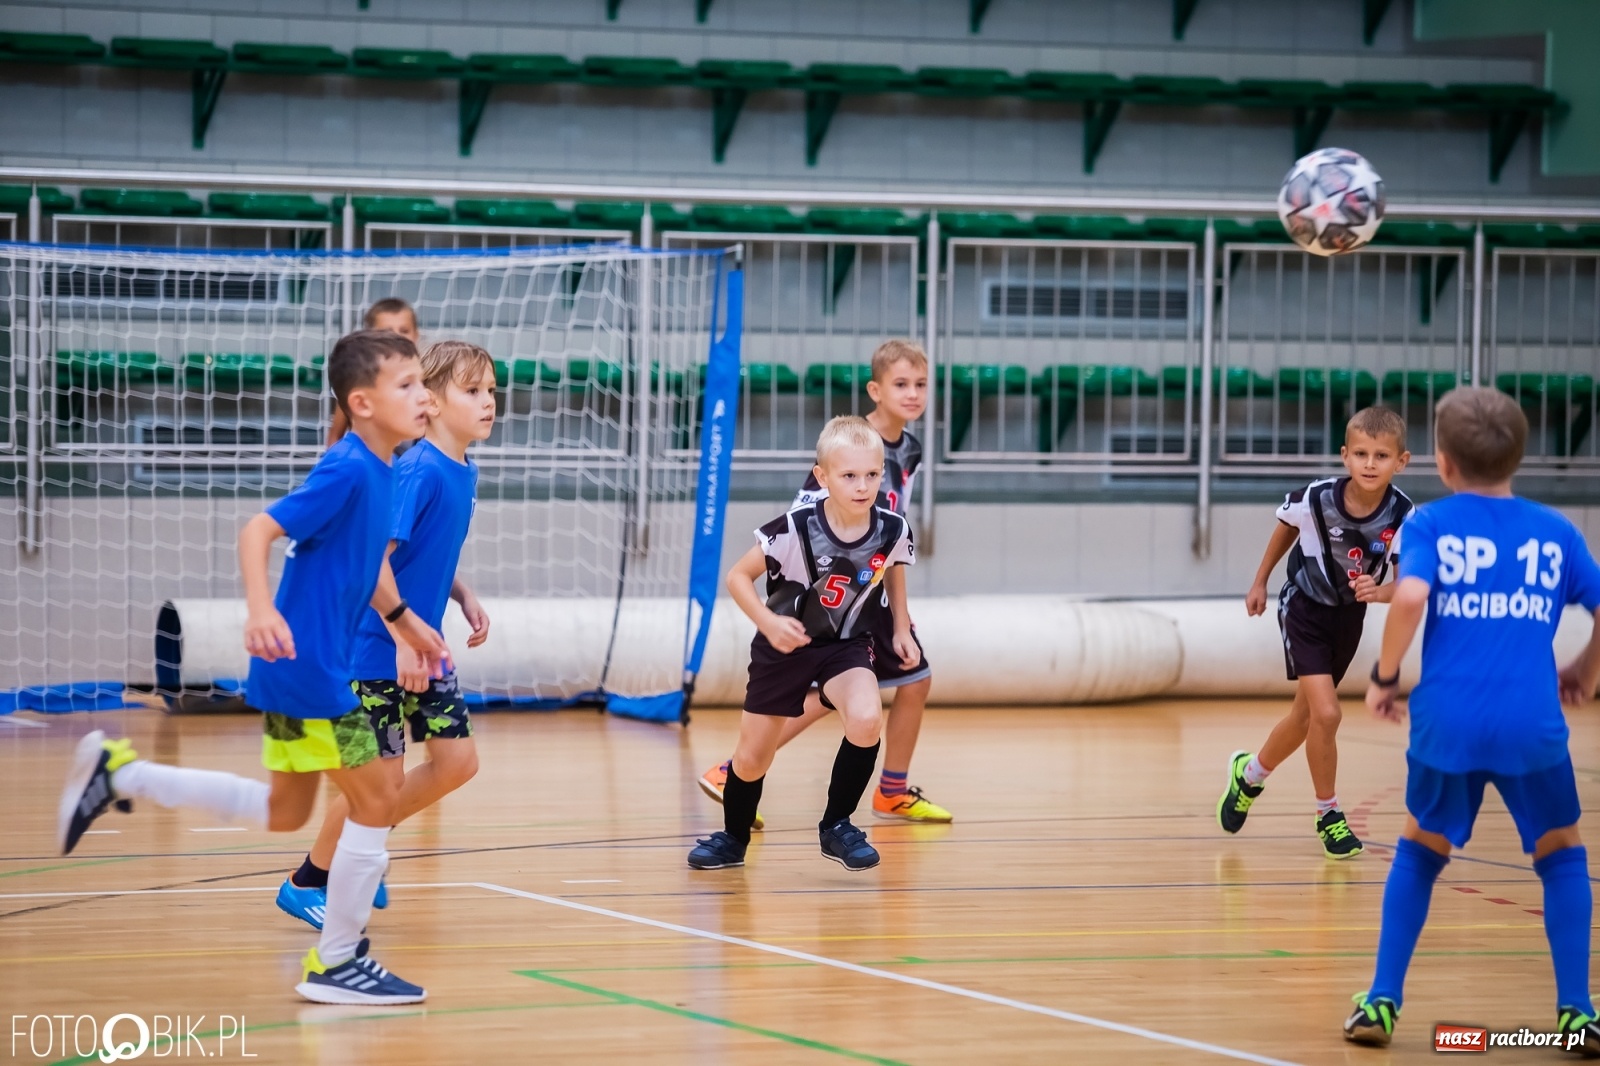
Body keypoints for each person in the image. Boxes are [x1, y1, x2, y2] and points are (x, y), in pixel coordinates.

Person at [58, 330, 451, 1006]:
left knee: (285, 809)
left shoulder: (384, 467)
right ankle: (337, 963)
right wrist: (260, 609)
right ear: (362, 402)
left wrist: (407, 621)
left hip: (306, 672)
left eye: (425, 384)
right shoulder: (350, 467)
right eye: (409, 385)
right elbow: (257, 530)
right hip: (311, 674)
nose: (425, 397)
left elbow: (361, 569)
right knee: (377, 800)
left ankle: (123, 773)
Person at [1344, 387, 1600, 1051]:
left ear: (1443, 462)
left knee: (1421, 849)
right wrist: (1586, 671)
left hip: (1447, 722)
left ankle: (1380, 1001)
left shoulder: (1431, 523)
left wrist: (1384, 675)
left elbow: (1412, 595)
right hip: (1530, 722)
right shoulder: (1556, 532)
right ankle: (1577, 1013)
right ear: (1520, 456)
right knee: (1562, 853)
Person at [276, 341, 496, 929]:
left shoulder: (463, 471)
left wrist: (461, 593)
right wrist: (400, 637)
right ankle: (309, 881)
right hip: (374, 648)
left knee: (457, 763)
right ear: (433, 400)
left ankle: (360, 854)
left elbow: (426, 555)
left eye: (492, 392)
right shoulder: (417, 470)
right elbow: (371, 560)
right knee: (380, 780)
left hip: (422, 647)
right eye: (472, 391)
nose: (488, 403)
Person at [698, 340, 951, 826]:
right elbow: (804, 524)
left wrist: (900, 614)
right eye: (902, 384)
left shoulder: (908, 450)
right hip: (830, 595)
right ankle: (739, 771)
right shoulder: (850, 448)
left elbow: (890, 538)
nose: (914, 394)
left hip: (868, 586)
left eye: (921, 384)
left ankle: (887, 789)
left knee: (906, 681)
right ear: (875, 390)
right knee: (835, 693)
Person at [687, 416, 915, 872]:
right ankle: (733, 839)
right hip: (784, 645)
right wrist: (769, 623)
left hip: (847, 645)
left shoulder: (893, 529)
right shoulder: (792, 529)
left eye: (872, 474)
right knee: (751, 760)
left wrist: (902, 628)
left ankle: (837, 825)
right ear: (822, 476)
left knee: (868, 717)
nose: (862, 485)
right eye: (849, 475)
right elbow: (736, 577)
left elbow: (895, 569)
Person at [1217, 407, 1413, 858]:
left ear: (1400, 462)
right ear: (1345, 456)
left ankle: (1248, 776)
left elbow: (1407, 583)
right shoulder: (1316, 497)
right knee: (1327, 715)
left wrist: (1379, 592)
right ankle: (1329, 815)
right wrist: (1259, 581)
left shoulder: (1404, 513)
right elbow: (1285, 528)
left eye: (1381, 456)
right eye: (1360, 453)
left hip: (1348, 618)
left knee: (1304, 719)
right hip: (1304, 609)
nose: (1369, 463)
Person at [327, 298, 420, 446]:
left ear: (416, 335)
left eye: (404, 331)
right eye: (386, 332)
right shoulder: (359, 382)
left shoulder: (423, 381)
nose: (396, 337)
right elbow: (335, 436)